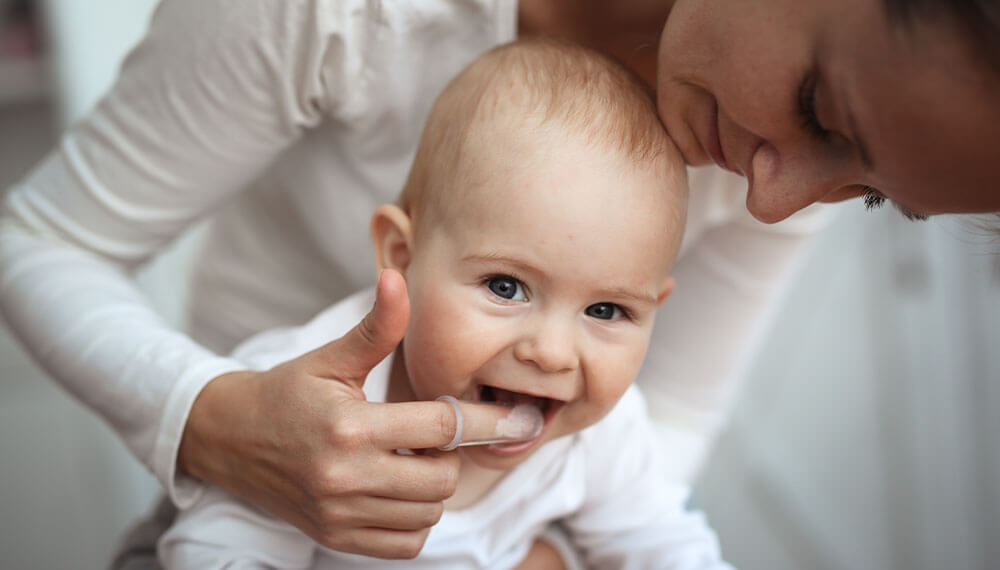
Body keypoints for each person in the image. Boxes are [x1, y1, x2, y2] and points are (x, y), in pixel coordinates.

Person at [0, 0, 996, 564]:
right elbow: (39, 241)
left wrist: (549, 559)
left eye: (866, 193)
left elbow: (660, 458)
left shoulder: (600, 433)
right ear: (394, 251)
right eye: (819, 106)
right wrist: (217, 422)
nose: (781, 203)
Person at [157, 39, 731, 569]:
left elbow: (661, 543)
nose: (553, 354)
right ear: (401, 257)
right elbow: (214, 551)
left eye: (606, 311)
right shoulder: (305, 404)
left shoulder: (602, 435)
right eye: (506, 287)